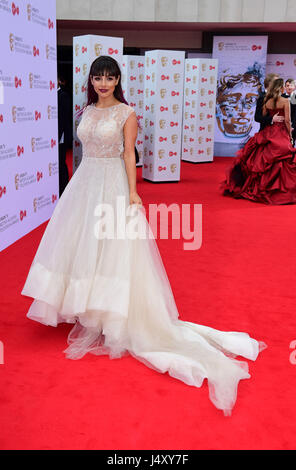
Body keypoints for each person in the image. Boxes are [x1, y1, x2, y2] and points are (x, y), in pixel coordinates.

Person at [21, 56, 265, 416]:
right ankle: (82, 305)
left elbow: (128, 156)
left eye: (110, 77)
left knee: (111, 249)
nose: (104, 82)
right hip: (83, 185)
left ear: (118, 80)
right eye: (98, 77)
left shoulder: (126, 113)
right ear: (91, 81)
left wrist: (133, 193)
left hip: (112, 186)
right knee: (80, 245)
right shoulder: (86, 111)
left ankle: (108, 312)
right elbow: (81, 150)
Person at [222, 78, 296, 204]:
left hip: (268, 132)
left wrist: (271, 119)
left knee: (262, 159)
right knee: (284, 155)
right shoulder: (285, 101)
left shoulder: (267, 101)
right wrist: (290, 135)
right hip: (281, 132)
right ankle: (279, 190)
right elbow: (287, 121)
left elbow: (263, 116)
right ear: (281, 88)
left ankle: (263, 187)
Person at [57, 76, 71, 196]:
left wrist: (57, 135)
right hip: (52, 137)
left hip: (60, 136)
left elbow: (63, 118)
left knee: (61, 162)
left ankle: (64, 189)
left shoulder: (63, 95)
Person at [282, 79, 296, 146]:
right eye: (287, 86)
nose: (289, 87)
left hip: (294, 127)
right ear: (284, 87)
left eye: (291, 86)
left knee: (292, 145)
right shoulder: (280, 97)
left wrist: (293, 126)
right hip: (282, 127)